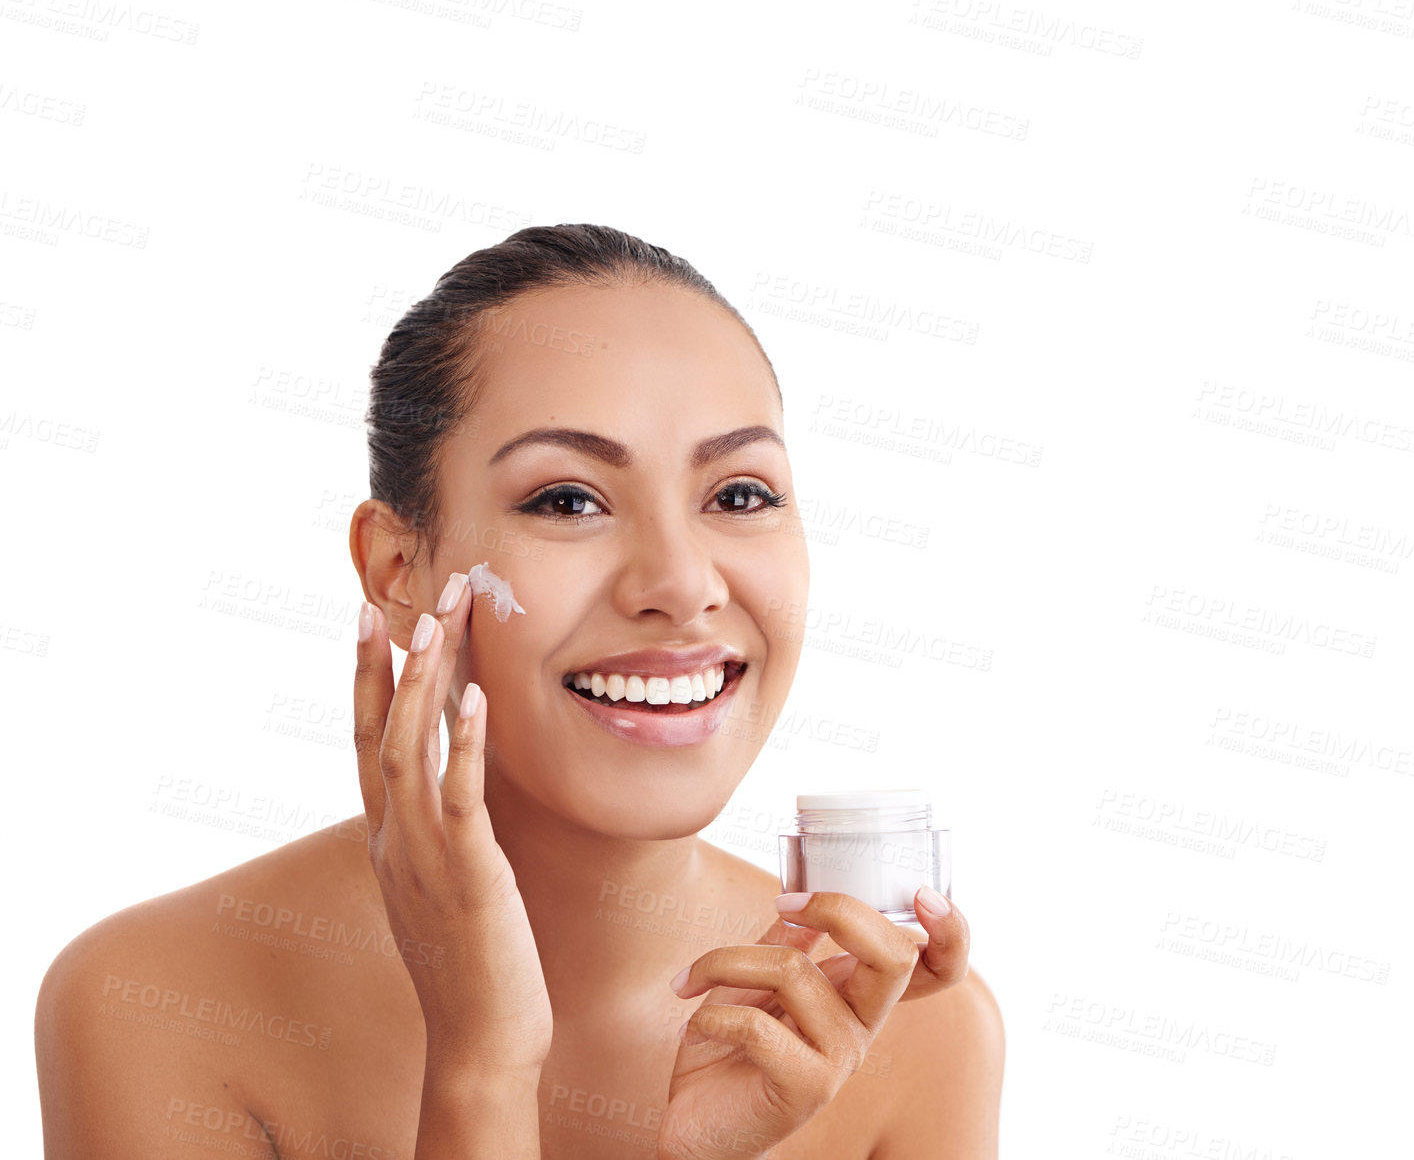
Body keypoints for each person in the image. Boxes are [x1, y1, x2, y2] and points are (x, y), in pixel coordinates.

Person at [35, 225, 1004, 1158]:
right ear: (399, 566)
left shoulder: (911, 1032)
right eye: (568, 499)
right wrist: (482, 1065)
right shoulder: (152, 1002)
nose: (678, 583)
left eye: (739, 494)